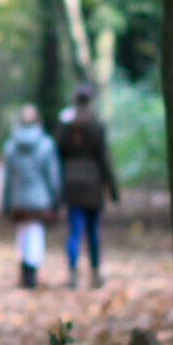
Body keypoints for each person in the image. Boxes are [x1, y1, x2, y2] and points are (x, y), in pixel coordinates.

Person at [55, 83, 123, 288]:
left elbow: (57, 154)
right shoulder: (96, 125)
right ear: (91, 101)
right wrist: (112, 189)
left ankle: (73, 273)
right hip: (93, 185)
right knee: (93, 232)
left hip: (72, 183)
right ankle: (95, 273)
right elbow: (104, 159)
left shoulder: (65, 125)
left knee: (74, 231)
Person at [1, 104, 63, 289]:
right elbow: (52, 176)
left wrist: (6, 202)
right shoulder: (46, 144)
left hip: (19, 200)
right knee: (35, 235)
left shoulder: (11, 145)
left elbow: (8, 179)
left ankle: (25, 273)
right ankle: (32, 275)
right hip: (40, 200)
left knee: (22, 234)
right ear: (39, 121)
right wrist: (56, 199)